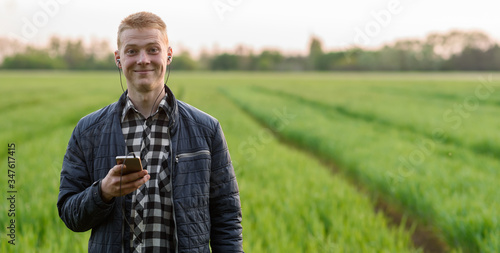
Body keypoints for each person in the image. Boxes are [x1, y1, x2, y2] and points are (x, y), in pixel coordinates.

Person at [57, 11, 243, 253]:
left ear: (168, 55)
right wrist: (103, 192)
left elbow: (226, 217)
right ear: (118, 58)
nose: (143, 59)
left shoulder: (206, 129)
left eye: (152, 49)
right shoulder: (88, 130)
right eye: (132, 51)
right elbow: (69, 213)